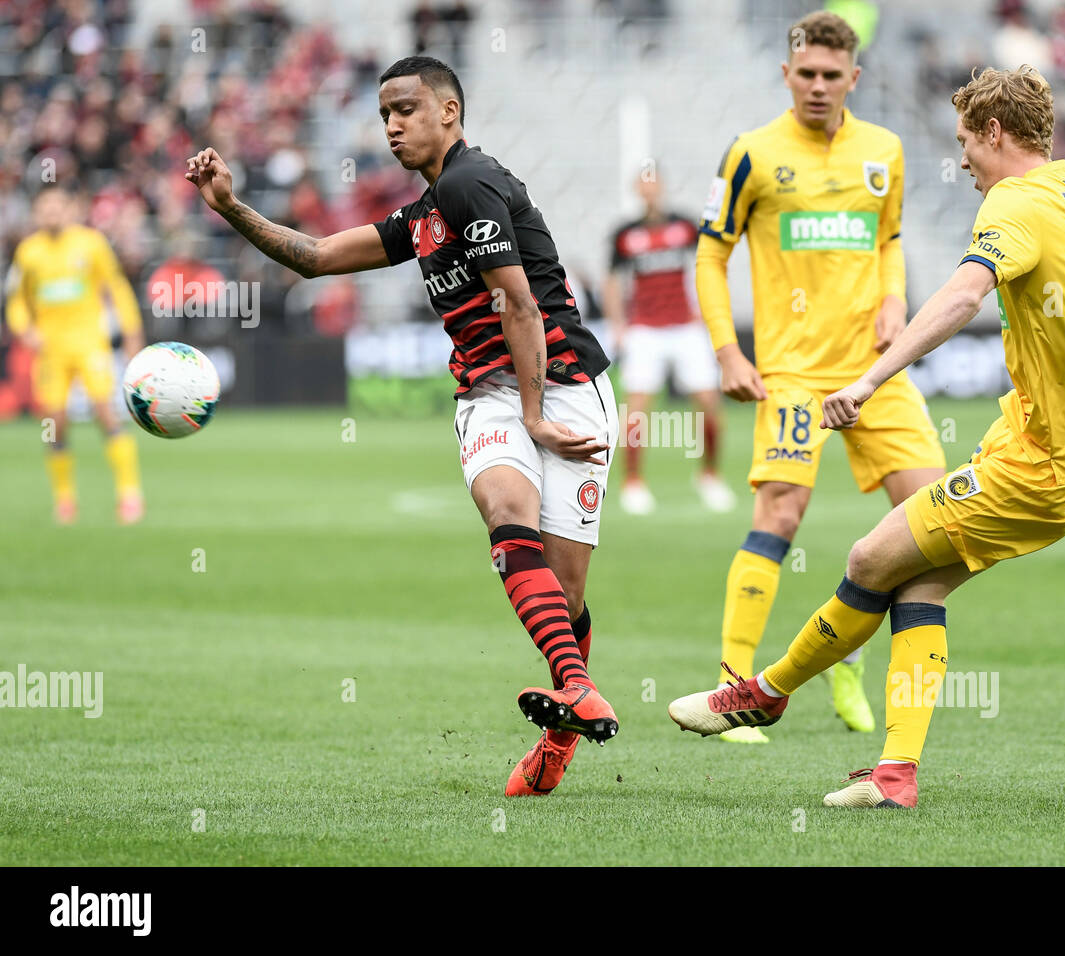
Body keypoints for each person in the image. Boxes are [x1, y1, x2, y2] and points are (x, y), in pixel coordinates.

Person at [670, 65, 1065, 810]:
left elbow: (964, 294)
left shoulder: (1014, 202)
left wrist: (871, 378)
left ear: (995, 134)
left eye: (967, 142)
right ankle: (894, 776)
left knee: (869, 557)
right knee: (920, 582)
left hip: (1043, 466)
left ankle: (765, 692)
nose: (964, 159)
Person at [185, 56, 619, 797]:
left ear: (450, 111)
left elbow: (518, 305)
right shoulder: (424, 214)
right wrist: (230, 207)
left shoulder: (469, 182)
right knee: (504, 511)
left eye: (407, 110)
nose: (391, 124)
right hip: (487, 392)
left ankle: (560, 732)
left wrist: (538, 416)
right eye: (385, 113)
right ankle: (577, 691)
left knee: (567, 597)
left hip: (565, 384)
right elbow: (318, 257)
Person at [695, 10, 946, 742]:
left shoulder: (885, 151)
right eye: (804, 73)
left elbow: (890, 237)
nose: (816, 86)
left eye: (831, 75)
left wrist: (896, 297)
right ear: (786, 73)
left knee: (930, 522)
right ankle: (732, 685)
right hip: (794, 373)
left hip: (876, 371)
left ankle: (845, 653)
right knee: (779, 513)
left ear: (853, 79)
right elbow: (711, 254)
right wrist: (727, 354)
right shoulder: (751, 153)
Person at [5, 184, 145, 525]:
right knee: (55, 424)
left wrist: (131, 331)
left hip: (89, 344)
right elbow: (17, 299)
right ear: (37, 212)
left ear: (70, 209)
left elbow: (115, 286)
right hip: (50, 350)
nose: (51, 212)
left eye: (57, 205)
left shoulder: (90, 244)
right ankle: (65, 502)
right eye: (45, 206)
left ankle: (129, 495)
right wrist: (25, 329)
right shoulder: (28, 252)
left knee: (105, 413)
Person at [604, 169, 733, 515]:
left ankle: (709, 475)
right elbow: (613, 282)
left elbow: (709, 265)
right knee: (636, 411)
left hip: (685, 327)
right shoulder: (625, 234)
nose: (649, 191)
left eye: (653, 184)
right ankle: (633, 482)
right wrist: (618, 324)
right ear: (636, 190)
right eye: (642, 186)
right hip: (645, 328)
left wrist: (707, 310)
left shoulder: (685, 227)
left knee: (709, 403)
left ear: (661, 186)